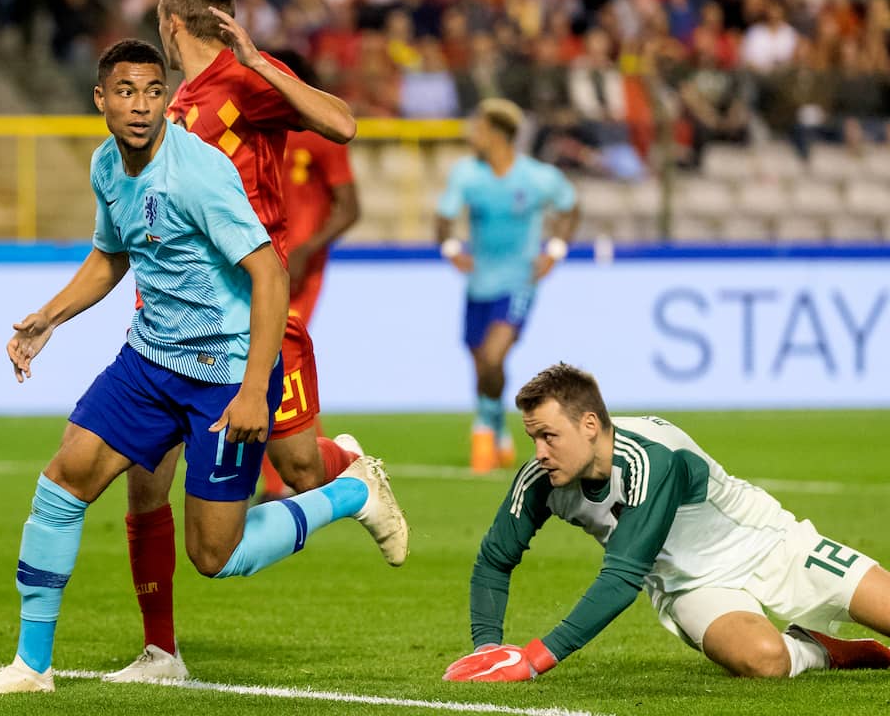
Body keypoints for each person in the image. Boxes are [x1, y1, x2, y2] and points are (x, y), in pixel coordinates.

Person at [0, 39, 407, 696]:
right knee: (63, 481)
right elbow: (112, 255)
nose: (140, 105)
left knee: (215, 556)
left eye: (152, 91)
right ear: (101, 99)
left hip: (224, 372)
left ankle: (350, 494)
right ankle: (31, 666)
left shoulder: (197, 173)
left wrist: (254, 391)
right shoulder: (107, 165)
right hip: (149, 362)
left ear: (166, 97)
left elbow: (271, 274)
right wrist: (48, 317)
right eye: (126, 92)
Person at [107, 0, 398, 684]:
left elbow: (343, 125)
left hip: (258, 319)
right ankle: (160, 653)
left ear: (172, 26)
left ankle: (354, 481)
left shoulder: (246, 83)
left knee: (299, 471)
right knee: (145, 479)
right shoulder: (172, 107)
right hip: (174, 327)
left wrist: (261, 57)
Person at [443, 363, 890, 682]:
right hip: (688, 587)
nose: (539, 451)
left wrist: (534, 659)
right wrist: (490, 649)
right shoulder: (542, 478)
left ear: (590, 425)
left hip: (770, 543)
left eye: (549, 435)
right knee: (764, 661)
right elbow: (493, 560)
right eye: (532, 437)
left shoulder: (653, 459)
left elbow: (621, 578)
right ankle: (823, 650)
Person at [435, 98, 578, 475]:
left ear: (497, 135)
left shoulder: (535, 177)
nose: (472, 135)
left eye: (478, 128)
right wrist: (450, 248)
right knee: (482, 362)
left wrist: (555, 250)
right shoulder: (467, 174)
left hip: (519, 282)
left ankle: (483, 428)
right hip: (479, 283)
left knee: (494, 356)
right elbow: (444, 217)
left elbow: (570, 206)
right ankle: (498, 425)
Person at [260, 48, 361, 501]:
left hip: (299, 270)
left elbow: (350, 208)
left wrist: (306, 250)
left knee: (275, 363)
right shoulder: (254, 130)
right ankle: (287, 481)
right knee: (257, 366)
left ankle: (299, 479)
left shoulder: (317, 134)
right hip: (261, 266)